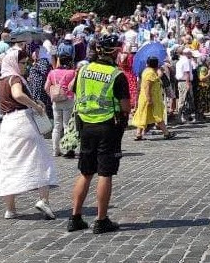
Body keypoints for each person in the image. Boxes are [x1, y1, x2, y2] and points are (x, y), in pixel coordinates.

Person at [68, 34, 131, 234]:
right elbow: (126, 106)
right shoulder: (116, 75)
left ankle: (75, 217)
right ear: (114, 52)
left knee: (85, 172)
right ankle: (101, 220)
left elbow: (74, 90)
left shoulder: (84, 69)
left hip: (85, 124)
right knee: (105, 172)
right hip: (107, 126)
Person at [0, 49, 58, 220]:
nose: (25, 66)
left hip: (8, 125)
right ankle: (43, 200)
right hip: (23, 121)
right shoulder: (14, 78)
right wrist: (36, 106)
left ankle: (10, 209)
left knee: (8, 164)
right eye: (22, 63)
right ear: (14, 63)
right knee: (41, 160)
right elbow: (17, 94)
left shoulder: (1, 80)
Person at [132, 57, 173, 140]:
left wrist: (159, 72)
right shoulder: (149, 73)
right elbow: (147, 87)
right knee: (157, 115)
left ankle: (138, 134)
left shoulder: (149, 71)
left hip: (151, 98)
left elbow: (157, 79)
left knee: (143, 115)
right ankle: (166, 133)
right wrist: (149, 98)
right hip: (150, 99)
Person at [45, 53, 77, 157]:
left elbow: (46, 87)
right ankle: (67, 149)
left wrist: (52, 96)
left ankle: (55, 150)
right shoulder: (72, 72)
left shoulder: (52, 72)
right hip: (68, 99)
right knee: (67, 125)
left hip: (56, 101)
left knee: (57, 126)